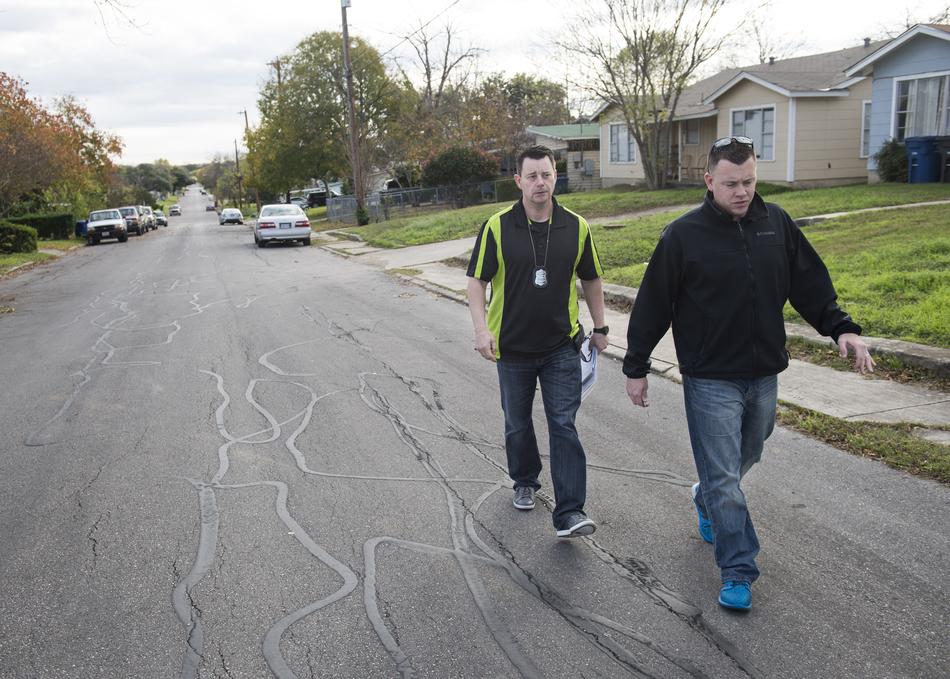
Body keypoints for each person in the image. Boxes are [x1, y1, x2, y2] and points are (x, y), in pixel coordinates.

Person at [623, 136, 874, 611]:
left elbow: (809, 282)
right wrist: (636, 367)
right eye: (732, 183)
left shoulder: (774, 223)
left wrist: (841, 328)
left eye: (749, 182)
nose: (742, 192)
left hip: (762, 371)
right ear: (709, 181)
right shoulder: (684, 235)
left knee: (750, 449)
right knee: (724, 477)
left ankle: (708, 497)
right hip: (710, 374)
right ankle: (737, 568)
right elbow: (653, 304)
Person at [467, 145, 609, 538]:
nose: (540, 182)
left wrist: (600, 327)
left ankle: (570, 512)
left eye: (546, 174)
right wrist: (482, 329)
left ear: (555, 177)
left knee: (563, 423)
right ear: (518, 181)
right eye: (531, 176)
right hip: (511, 348)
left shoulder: (577, 226)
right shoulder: (497, 226)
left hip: (560, 345)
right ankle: (525, 478)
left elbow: (592, 278)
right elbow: (476, 281)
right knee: (517, 423)